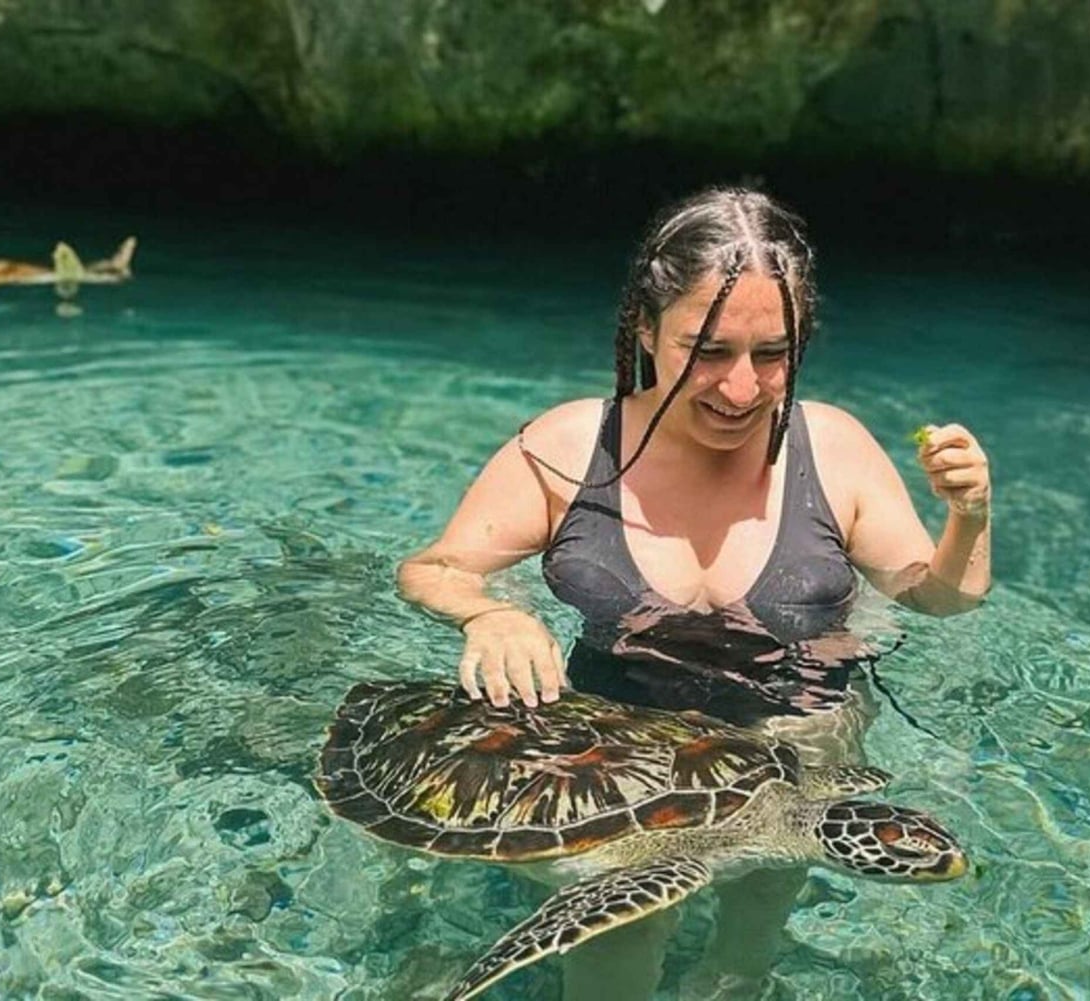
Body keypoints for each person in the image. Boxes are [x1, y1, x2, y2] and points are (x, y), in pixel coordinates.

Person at [397, 187, 991, 1000]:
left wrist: (968, 515)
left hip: (800, 734)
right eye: (706, 351)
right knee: (622, 935)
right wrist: (491, 611)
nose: (741, 389)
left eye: (771, 353)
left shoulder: (838, 450)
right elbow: (432, 567)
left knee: (752, 930)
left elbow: (940, 598)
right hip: (622, 745)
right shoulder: (567, 448)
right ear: (645, 329)